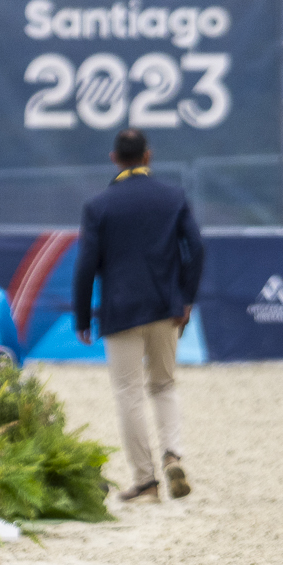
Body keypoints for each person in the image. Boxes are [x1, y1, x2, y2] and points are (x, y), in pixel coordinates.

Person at [72, 129, 203, 503]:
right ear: (148, 155)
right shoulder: (173, 197)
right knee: (164, 385)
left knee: (128, 393)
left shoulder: (99, 205)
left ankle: (146, 482)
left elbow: (85, 266)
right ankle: (173, 454)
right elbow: (196, 248)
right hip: (166, 307)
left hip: (120, 310)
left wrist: (82, 316)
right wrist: (186, 298)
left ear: (115, 158)